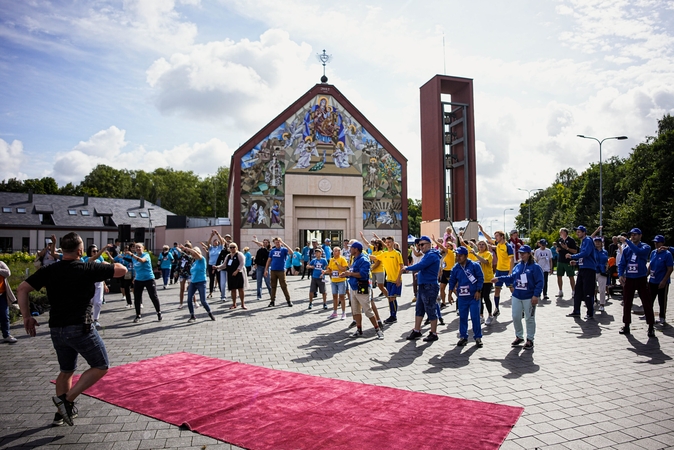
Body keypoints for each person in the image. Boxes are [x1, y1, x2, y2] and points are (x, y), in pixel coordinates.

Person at [16, 232, 127, 426]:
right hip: (80, 327)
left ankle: (61, 414)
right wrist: (110, 262)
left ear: (63, 250)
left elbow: (22, 288)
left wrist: (26, 317)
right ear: (80, 250)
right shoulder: (86, 268)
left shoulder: (50, 270)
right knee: (101, 365)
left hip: (57, 329)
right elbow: (122, 270)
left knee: (66, 371)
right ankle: (66, 400)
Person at [492, 245, 543, 350]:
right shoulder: (518, 266)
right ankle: (519, 336)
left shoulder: (535, 267)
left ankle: (530, 339)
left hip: (529, 297)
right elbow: (511, 277)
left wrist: (536, 295)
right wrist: (499, 279)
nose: (522, 255)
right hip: (517, 296)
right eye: (520, 253)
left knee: (530, 318)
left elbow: (540, 282)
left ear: (529, 254)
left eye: (524, 253)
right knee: (516, 316)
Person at [340, 242, 383, 339]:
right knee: (356, 311)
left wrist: (350, 274)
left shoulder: (363, 260)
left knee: (368, 310)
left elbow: (363, 274)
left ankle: (378, 330)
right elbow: (354, 271)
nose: (349, 249)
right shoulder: (356, 258)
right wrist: (346, 274)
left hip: (362, 287)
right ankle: (359, 330)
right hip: (354, 287)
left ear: (356, 249)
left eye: (351, 248)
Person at [403, 236, 442, 342]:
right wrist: (419, 275)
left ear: (429, 244)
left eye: (422, 244)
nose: (420, 247)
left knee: (430, 309)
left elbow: (421, 265)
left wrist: (407, 268)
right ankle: (417, 330)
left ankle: (433, 333)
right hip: (424, 286)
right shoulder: (428, 255)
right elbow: (427, 268)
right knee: (419, 309)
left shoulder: (431, 255)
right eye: (419, 245)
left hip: (429, 286)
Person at [618, 228, 653, 337]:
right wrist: (620, 275)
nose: (633, 237)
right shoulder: (627, 250)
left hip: (641, 278)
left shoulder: (645, 247)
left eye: (635, 235)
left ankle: (651, 326)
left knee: (646, 303)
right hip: (630, 278)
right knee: (627, 302)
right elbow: (622, 263)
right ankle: (626, 325)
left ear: (640, 236)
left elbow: (638, 252)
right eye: (631, 235)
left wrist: (627, 241)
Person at [447, 246, 484, 347]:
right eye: (457, 255)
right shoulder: (456, 268)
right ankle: (463, 337)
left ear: (466, 256)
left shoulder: (475, 266)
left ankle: (478, 337)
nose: (458, 257)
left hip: (473, 297)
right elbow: (452, 281)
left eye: (460, 256)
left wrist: (478, 290)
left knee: (475, 317)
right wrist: (450, 293)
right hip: (462, 297)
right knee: (462, 317)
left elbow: (480, 278)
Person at [480, 225, 513, 319]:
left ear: (502, 236)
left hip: (506, 271)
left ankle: (519, 306)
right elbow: (489, 239)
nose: (495, 238)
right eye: (495, 236)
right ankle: (497, 308)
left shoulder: (508, 246)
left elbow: (511, 259)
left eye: (497, 236)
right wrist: (482, 231)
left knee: (512, 289)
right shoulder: (498, 245)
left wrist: (510, 271)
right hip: (499, 271)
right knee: (497, 290)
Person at [566, 225, 597, 319]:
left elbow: (586, 253)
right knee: (578, 290)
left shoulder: (588, 240)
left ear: (584, 232)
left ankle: (590, 312)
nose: (577, 233)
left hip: (589, 270)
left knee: (587, 291)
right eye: (577, 232)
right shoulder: (583, 242)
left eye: (579, 232)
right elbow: (584, 258)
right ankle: (576, 311)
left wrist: (572, 256)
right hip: (583, 268)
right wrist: (576, 262)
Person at [178, 245, 215, 322]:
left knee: (203, 301)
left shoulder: (202, 260)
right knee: (189, 299)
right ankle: (192, 316)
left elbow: (195, 253)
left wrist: (187, 248)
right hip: (193, 283)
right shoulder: (194, 262)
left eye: (194, 254)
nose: (193, 255)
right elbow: (192, 274)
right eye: (192, 255)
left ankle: (210, 313)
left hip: (201, 282)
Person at [127, 243, 162, 323]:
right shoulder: (134, 257)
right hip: (139, 279)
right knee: (137, 298)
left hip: (149, 278)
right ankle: (138, 315)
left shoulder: (146, 255)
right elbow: (135, 268)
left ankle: (158, 312)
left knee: (153, 296)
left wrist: (132, 255)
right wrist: (134, 277)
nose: (138, 249)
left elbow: (142, 261)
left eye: (139, 247)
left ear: (143, 248)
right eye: (136, 247)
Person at [378, 235, 404, 324]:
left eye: (389, 242)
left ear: (393, 243)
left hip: (395, 279)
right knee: (390, 298)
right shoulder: (384, 254)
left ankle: (394, 316)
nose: (388, 244)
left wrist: (398, 279)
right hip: (388, 279)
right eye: (387, 242)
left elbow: (401, 266)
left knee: (392, 297)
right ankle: (392, 315)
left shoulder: (397, 253)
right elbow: (375, 257)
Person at [648, 235, 673, 325]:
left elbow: (670, 268)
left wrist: (664, 280)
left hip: (662, 281)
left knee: (662, 300)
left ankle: (662, 317)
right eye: (655, 242)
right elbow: (650, 265)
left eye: (658, 242)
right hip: (652, 280)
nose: (656, 244)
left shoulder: (667, 254)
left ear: (662, 243)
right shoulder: (653, 252)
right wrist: (646, 275)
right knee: (650, 299)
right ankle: (649, 315)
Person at [264, 237, 294, 307]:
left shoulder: (283, 250)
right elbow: (269, 260)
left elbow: (291, 252)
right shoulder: (272, 250)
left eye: (278, 242)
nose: (277, 243)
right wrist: (266, 269)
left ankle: (288, 300)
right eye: (276, 242)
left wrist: (284, 244)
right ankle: (272, 301)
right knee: (273, 286)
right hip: (273, 270)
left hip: (281, 270)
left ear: (280, 242)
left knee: (284, 286)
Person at [474, 240, 495, 325]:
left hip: (487, 279)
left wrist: (475, 255)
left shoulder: (488, 254)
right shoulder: (478, 254)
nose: (481, 246)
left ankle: (490, 315)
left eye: (483, 244)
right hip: (479, 280)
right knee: (479, 298)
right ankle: (481, 316)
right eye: (480, 245)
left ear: (486, 246)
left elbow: (485, 262)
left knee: (486, 296)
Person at [219, 242, 246, 309]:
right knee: (233, 289)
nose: (232, 248)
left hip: (239, 274)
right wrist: (217, 267)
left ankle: (242, 303)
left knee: (240, 289)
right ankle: (234, 303)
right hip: (230, 274)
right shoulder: (228, 256)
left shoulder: (239, 254)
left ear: (236, 247)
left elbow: (242, 263)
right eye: (231, 247)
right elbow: (224, 265)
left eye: (233, 247)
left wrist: (237, 270)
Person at [326, 247, 348, 320]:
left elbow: (344, 269)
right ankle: (335, 312)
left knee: (342, 297)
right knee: (334, 296)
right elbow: (329, 269)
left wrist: (338, 264)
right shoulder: (331, 259)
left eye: (335, 251)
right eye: (333, 251)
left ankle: (343, 312)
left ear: (339, 252)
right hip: (334, 281)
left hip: (341, 280)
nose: (334, 252)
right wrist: (325, 271)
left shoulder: (342, 259)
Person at [556, 227, 577, 298]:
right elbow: (557, 250)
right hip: (560, 260)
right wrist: (558, 250)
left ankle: (574, 291)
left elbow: (575, 251)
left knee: (571, 276)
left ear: (565, 232)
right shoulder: (559, 240)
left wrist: (567, 248)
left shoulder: (571, 240)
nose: (560, 233)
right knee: (559, 276)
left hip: (568, 261)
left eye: (561, 232)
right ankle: (560, 291)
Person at [0, 261, 17, 344]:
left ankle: (6, 335)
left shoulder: (0, 263)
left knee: (4, 316)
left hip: (1, 295)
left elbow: (7, 273)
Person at [204, 230, 224, 298]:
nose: (215, 243)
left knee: (219, 279)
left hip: (218, 265)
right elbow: (208, 243)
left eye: (216, 242)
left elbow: (222, 241)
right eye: (214, 242)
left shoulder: (220, 248)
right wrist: (211, 236)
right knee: (211, 279)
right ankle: (210, 292)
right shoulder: (211, 248)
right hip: (211, 265)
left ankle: (222, 292)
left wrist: (218, 234)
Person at [175, 242, 194, 310]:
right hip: (182, 273)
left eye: (187, 247)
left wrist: (181, 251)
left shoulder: (192, 255)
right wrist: (176, 271)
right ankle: (181, 303)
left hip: (189, 273)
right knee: (182, 289)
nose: (186, 249)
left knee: (191, 288)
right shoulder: (181, 256)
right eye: (185, 247)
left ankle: (194, 301)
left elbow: (189, 258)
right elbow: (178, 263)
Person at [594, 236, 609, 312]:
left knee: (602, 289)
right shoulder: (592, 250)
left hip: (602, 271)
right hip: (593, 270)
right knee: (592, 288)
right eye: (596, 241)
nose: (597, 243)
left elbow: (607, 260)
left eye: (599, 241)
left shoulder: (605, 251)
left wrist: (607, 266)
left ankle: (602, 304)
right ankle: (594, 299)